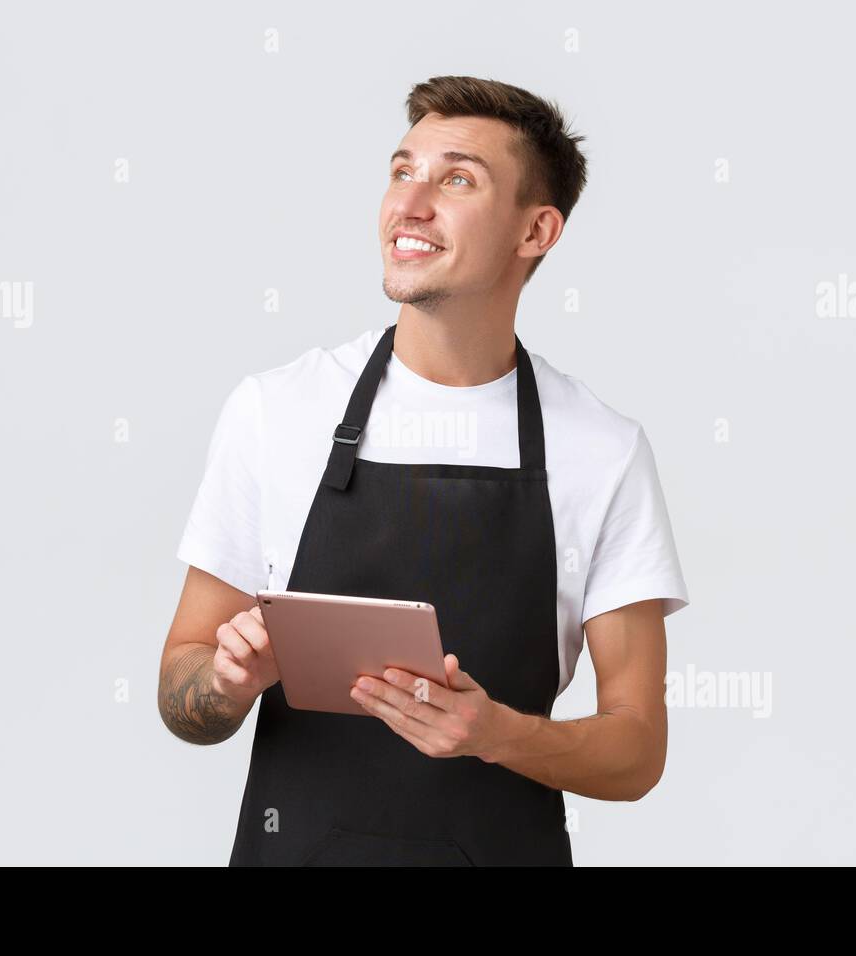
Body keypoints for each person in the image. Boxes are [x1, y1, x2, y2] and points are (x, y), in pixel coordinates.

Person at [158, 75, 689, 866]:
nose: (409, 203)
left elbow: (637, 750)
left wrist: (496, 734)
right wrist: (228, 682)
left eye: (457, 179)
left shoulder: (601, 451)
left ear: (536, 231)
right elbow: (181, 690)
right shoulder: (278, 412)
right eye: (403, 170)